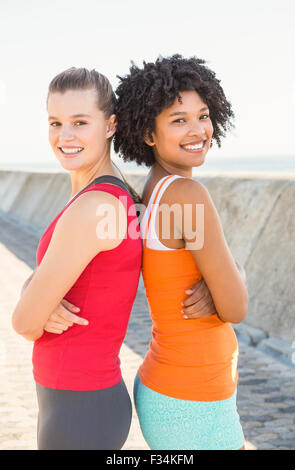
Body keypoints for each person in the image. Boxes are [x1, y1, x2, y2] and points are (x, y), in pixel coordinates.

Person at [114, 54, 248, 450]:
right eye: (178, 119)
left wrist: (217, 279)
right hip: (194, 403)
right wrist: (235, 271)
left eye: (203, 115)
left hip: (177, 392)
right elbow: (237, 307)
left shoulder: (153, 190)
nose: (197, 130)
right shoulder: (187, 193)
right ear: (149, 135)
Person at [11, 67, 143, 450]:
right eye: (55, 122)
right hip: (77, 401)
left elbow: (24, 323)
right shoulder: (101, 195)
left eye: (80, 122)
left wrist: (34, 300)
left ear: (110, 125)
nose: (64, 136)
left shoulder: (95, 207)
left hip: (80, 406)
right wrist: (33, 288)